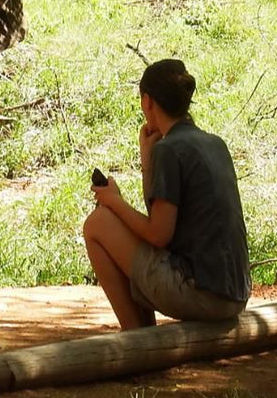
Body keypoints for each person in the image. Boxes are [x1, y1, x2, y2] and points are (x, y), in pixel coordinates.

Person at [82, 59, 250, 330]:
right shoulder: (215, 143)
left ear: (147, 102)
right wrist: (147, 160)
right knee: (118, 226)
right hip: (234, 294)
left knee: (97, 223)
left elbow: (158, 235)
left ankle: (135, 335)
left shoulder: (170, 150)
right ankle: (144, 338)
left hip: (201, 294)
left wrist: (114, 202)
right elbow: (161, 224)